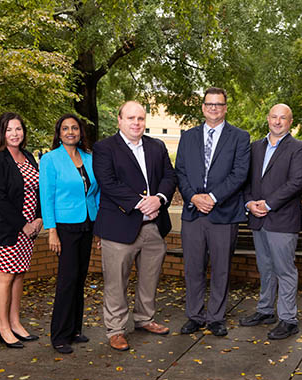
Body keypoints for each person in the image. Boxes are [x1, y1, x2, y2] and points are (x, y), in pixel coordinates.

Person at [92, 101, 176, 351]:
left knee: (149, 278)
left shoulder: (157, 146)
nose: (136, 123)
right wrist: (142, 203)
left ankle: (144, 319)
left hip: (153, 226)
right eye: (130, 118)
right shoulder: (105, 148)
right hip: (120, 226)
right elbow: (107, 182)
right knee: (116, 281)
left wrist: (159, 199)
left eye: (140, 118)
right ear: (119, 120)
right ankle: (115, 329)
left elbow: (169, 177)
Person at [175, 87, 250, 336]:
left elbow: (239, 174)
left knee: (221, 267)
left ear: (226, 107)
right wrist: (194, 197)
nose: (214, 108)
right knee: (193, 267)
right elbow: (181, 172)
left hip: (224, 213)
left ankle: (216, 317)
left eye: (219, 104)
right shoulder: (188, 137)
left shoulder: (240, 137)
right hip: (194, 213)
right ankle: (195, 315)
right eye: (209, 104)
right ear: (203, 107)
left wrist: (213, 198)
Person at [238, 104, 302, 339]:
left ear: (290, 122)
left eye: (283, 118)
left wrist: (267, 204)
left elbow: (296, 182)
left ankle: (288, 319)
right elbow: (246, 180)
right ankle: (265, 310)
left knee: (284, 270)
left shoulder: (299, 149)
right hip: (258, 219)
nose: (278, 122)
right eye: (274, 117)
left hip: (282, 219)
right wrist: (249, 203)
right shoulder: (255, 147)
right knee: (265, 268)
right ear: (267, 118)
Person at [0, 112, 43, 349]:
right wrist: (23, 225)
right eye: (9, 130)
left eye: (18, 129)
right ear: (1, 133)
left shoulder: (27, 156)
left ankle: (16, 323)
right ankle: (3, 327)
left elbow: (37, 190)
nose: (15, 134)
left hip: (29, 230)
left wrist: (38, 218)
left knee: (19, 275)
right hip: (6, 229)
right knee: (5, 276)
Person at [39, 114, 100, 354]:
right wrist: (51, 231)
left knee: (80, 278)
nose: (70, 132)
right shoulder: (50, 160)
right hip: (64, 226)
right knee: (66, 280)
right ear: (59, 132)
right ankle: (59, 335)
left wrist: (98, 230)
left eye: (74, 128)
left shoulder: (89, 158)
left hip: (87, 223)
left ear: (80, 132)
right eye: (65, 128)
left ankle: (75, 329)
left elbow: (96, 193)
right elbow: (47, 197)